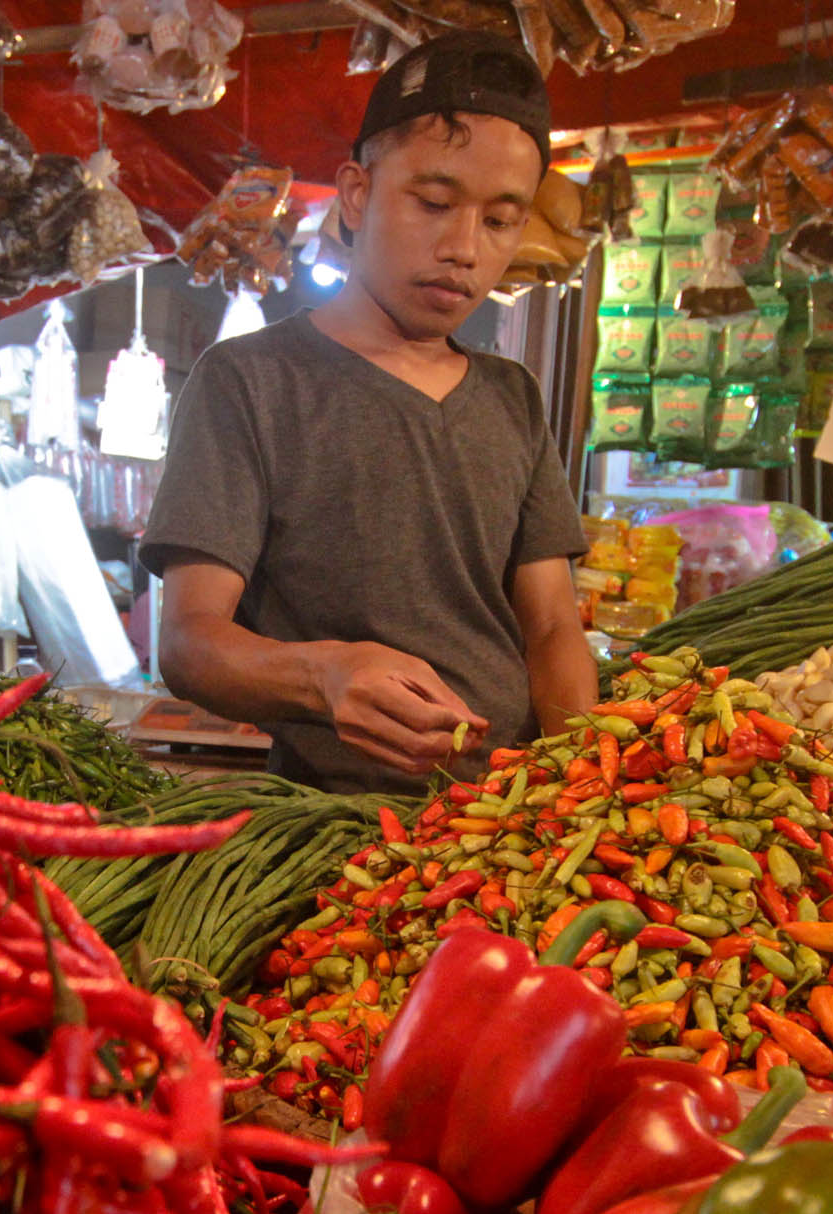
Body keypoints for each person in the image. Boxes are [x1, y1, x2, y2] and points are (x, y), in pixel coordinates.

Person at [138, 29, 597, 794]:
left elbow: (552, 626)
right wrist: (325, 674)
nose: (463, 247)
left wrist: (585, 783)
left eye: (500, 220)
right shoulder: (249, 381)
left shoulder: (512, 397)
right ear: (356, 194)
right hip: (333, 827)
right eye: (434, 201)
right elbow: (189, 642)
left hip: (505, 824)